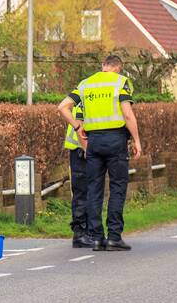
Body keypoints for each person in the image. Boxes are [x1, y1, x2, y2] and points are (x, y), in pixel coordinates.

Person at [60, 54, 142, 251]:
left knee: (93, 190)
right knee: (117, 187)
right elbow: (127, 114)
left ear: (103, 66)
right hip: (115, 140)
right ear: (118, 68)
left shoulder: (85, 84)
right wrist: (137, 140)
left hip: (93, 142)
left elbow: (62, 107)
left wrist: (77, 127)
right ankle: (114, 237)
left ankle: (96, 238)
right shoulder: (121, 82)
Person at [56, 93, 91, 247]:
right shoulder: (84, 97)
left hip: (82, 149)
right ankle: (80, 233)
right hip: (80, 150)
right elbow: (79, 125)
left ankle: (87, 231)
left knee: (88, 192)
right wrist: (86, 149)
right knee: (82, 192)